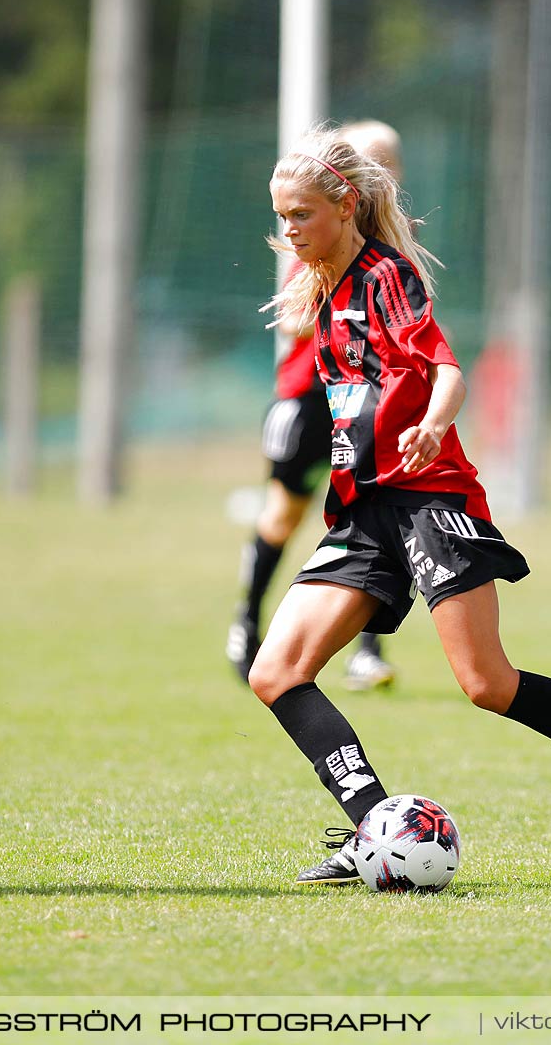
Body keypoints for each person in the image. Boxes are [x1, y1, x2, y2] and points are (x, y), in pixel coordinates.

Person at [247, 127, 551, 885]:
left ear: (345, 204)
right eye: (282, 217)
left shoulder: (386, 276)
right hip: (362, 510)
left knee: (487, 683)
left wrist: (433, 421)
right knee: (277, 671)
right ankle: (373, 830)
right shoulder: (323, 288)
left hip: (427, 498)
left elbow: (447, 367)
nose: (290, 232)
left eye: (302, 216)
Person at [228, 120, 402, 692]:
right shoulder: (322, 237)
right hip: (308, 399)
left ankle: (367, 651)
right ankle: (247, 626)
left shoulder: (390, 254)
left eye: (390, 164)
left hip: (369, 402)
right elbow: (296, 320)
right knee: (284, 516)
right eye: (372, 163)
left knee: (382, 518)